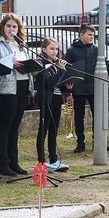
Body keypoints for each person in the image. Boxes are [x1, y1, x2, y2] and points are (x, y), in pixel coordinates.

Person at [0, 13, 33, 177]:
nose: (11, 29)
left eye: (14, 26)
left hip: (22, 85)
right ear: (2, 27)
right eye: (8, 26)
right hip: (6, 88)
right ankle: (3, 163)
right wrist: (10, 63)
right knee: (4, 126)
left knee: (15, 127)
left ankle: (14, 162)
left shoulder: (21, 45)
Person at [35, 38, 71, 172]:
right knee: (43, 130)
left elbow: (57, 85)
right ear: (44, 49)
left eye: (56, 49)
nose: (55, 51)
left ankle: (54, 160)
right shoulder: (41, 65)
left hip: (56, 100)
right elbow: (49, 82)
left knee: (54, 131)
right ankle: (41, 161)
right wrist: (62, 71)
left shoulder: (56, 65)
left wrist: (68, 88)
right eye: (51, 48)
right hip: (46, 101)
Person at [64, 23, 97, 154]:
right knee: (79, 116)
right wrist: (68, 90)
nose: (91, 37)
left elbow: (104, 63)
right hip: (78, 88)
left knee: (97, 115)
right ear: (81, 35)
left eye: (93, 35)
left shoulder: (95, 49)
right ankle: (80, 142)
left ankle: (97, 142)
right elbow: (67, 68)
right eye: (89, 35)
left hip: (93, 87)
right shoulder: (72, 50)